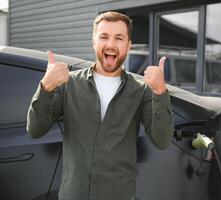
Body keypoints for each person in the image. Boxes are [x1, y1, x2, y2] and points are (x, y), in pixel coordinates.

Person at [26, 11, 174, 200]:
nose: (111, 44)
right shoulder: (68, 84)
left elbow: (162, 141)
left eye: (119, 38)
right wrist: (45, 86)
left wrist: (160, 92)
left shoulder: (142, 90)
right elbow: (35, 130)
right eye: (104, 37)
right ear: (94, 41)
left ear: (128, 45)